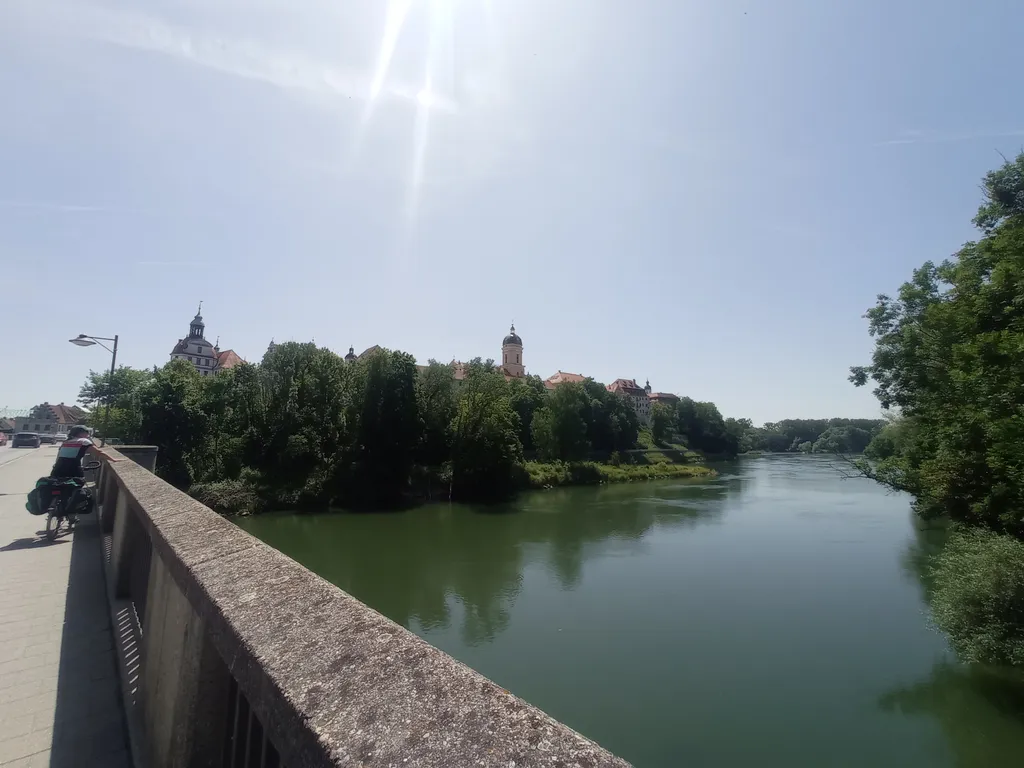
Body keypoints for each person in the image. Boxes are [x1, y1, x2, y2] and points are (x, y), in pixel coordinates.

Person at [48, 426, 95, 522]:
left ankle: (53, 507)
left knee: (58, 486)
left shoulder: (65, 442)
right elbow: (99, 452)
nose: (88, 435)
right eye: (87, 433)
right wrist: (113, 459)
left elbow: (59, 457)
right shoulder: (84, 441)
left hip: (58, 469)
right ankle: (72, 515)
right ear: (81, 433)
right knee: (76, 489)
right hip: (74, 469)